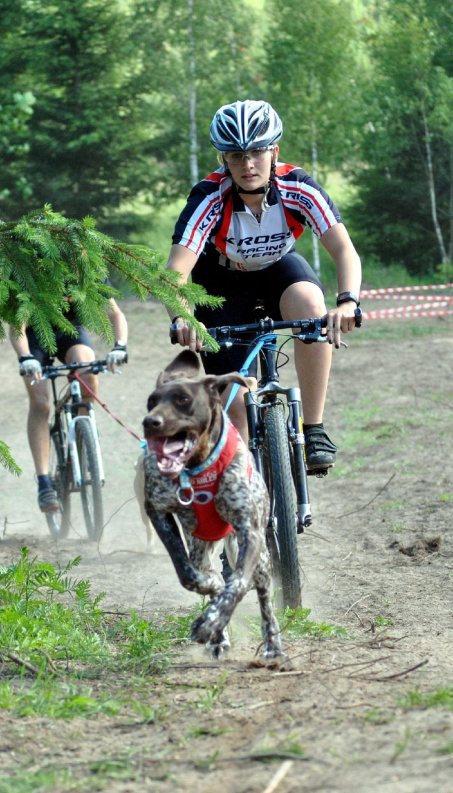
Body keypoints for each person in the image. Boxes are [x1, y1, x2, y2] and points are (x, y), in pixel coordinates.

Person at [167, 99, 362, 471]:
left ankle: (314, 428)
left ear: (275, 151)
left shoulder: (298, 185)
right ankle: (244, 487)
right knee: (238, 402)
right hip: (220, 283)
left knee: (310, 304)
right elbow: (176, 270)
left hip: (277, 271)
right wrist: (182, 317)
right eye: (236, 155)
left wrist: (349, 302)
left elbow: (343, 249)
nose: (248, 164)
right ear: (224, 159)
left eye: (257, 151)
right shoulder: (209, 196)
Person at [10, 297, 128, 513]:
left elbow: (115, 313)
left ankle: (83, 443)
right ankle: (45, 482)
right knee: (41, 403)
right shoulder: (31, 268)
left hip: (69, 330)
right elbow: (18, 324)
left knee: (89, 376)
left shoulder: (84, 267)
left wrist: (120, 346)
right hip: (32, 337)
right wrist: (26, 357)